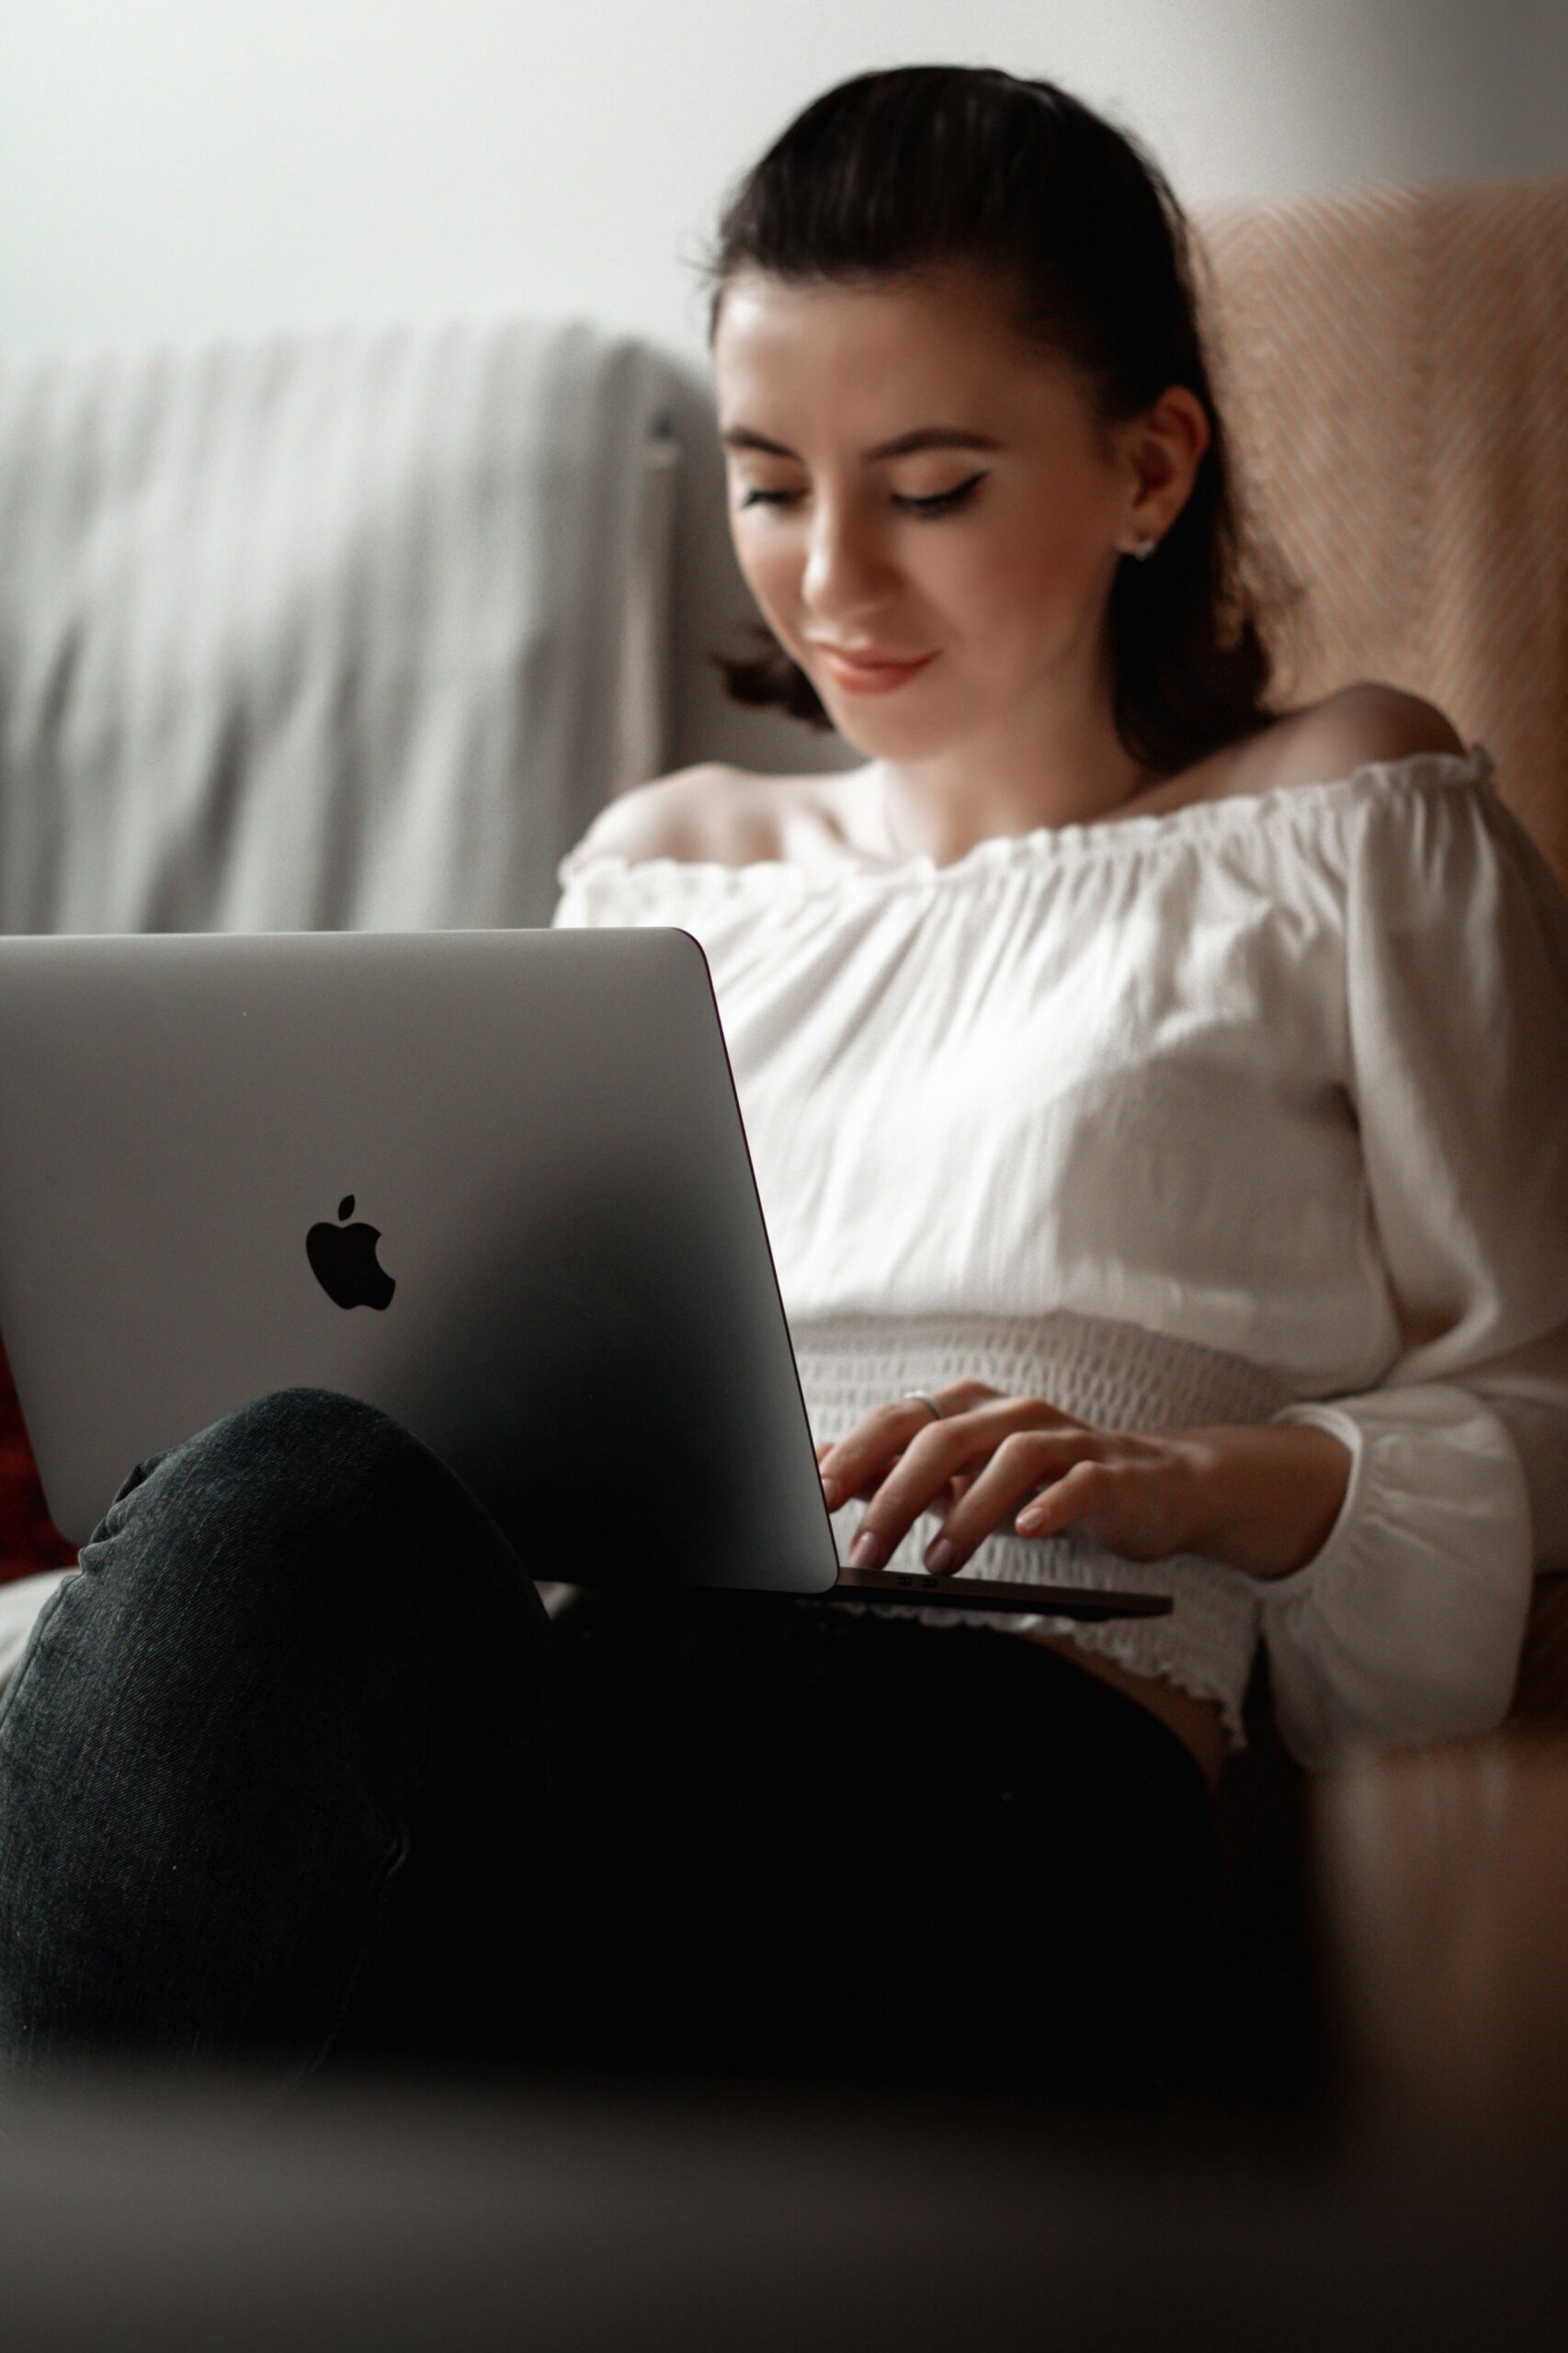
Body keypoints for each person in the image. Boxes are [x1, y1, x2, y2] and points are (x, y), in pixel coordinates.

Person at [2, 64, 1566, 2111]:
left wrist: (1221, 1479)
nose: (829, 577)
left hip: (1013, 1732)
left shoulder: (1350, 809)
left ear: (1148, 465)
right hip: (578, 1684)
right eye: (765, 481)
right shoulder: (670, 861)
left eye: (926, 487)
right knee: (268, 1495)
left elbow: (1541, 1379)